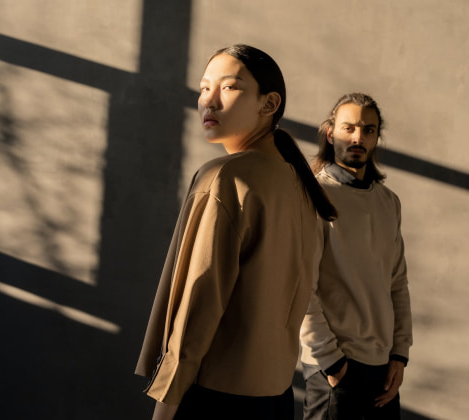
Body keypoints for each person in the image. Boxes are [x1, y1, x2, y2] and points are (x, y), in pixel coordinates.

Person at [135, 44, 337, 420]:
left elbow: (198, 304)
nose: (208, 101)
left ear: (269, 103)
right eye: (203, 88)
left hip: (215, 397)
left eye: (229, 87)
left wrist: (164, 408)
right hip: (275, 396)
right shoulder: (297, 180)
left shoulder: (225, 177)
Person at [299, 92, 413, 419]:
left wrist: (399, 355)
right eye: (348, 128)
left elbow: (397, 283)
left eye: (368, 130)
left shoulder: (389, 202)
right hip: (335, 368)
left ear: (377, 138)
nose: (358, 137)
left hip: (383, 369)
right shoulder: (314, 196)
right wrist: (331, 363)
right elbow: (301, 286)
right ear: (330, 133)